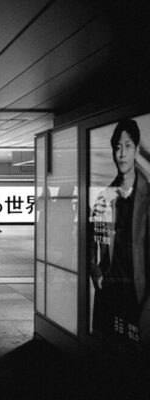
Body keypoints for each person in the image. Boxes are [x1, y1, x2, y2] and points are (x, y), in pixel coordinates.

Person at [90, 119, 150, 349]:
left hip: (138, 293)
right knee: (106, 346)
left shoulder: (147, 196)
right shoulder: (105, 196)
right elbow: (91, 238)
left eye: (127, 145)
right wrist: (95, 271)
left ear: (136, 148)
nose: (122, 153)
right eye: (117, 146)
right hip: (109, 287)